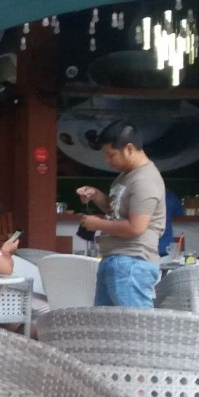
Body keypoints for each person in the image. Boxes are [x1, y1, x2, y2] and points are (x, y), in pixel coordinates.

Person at [76, 120, 166, 308]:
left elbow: (136, 227)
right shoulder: (126, 176)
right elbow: (117, 211)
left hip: (132, 261)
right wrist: (96, 195)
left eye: (111, 155)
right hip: (117, 260)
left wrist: (97, 224)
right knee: (109, 323)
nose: (108, 161)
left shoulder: (145, 180)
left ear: (129, 149)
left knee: (135, 323)